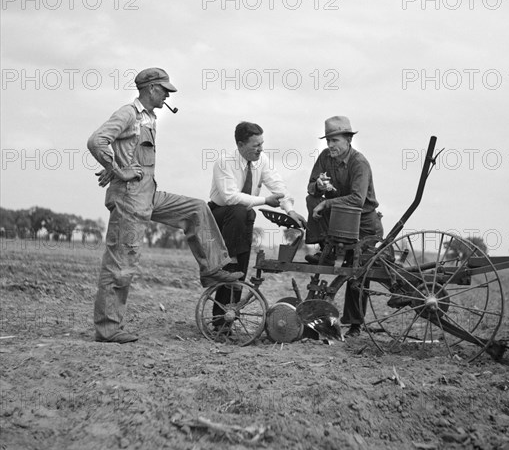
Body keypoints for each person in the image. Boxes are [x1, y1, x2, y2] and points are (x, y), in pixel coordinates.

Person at [87, 67, 241, 344]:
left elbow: (128, 151)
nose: (168, 94)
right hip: (129, 200)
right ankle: (108, 329)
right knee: (121, 264)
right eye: (165, 89)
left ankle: (212, 268)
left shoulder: (149, 118)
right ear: (151, 89)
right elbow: (97, 141)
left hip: (148, 194)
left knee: (196, 208)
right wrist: (118, 170)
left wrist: (118, 165)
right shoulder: (128, 113)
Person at [208, 121, 307, 327]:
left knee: (239, 270)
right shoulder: (224, 163)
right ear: (240, 144)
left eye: (262, 144)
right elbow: (230, 198)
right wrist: (265, 201)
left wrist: (289, 210)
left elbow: (278, 186)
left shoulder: (262, 161)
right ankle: (230, 260)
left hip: (242, 219)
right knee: (238, 213)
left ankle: (225, 321)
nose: (260, 149)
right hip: (220, 216)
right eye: (255, 145)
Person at [304, 116, 384, 338]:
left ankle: (355, 325)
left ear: (348, 140)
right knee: (312, 200)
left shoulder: (359, 163)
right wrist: (317, 185)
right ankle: (326, 250)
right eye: (328, 140)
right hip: (339, 218)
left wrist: (327, 201)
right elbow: (310, 186)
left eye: (335, 140)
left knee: (358, 272)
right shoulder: (325, 157)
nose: (330, 145)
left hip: (364, 224)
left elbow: (358, 200)